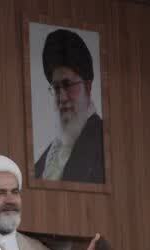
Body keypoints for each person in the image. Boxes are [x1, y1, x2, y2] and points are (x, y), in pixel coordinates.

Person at [34, 28, 105, 184]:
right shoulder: (43, 162)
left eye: (68, 85)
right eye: (56, 88)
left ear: (88, 87)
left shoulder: (103, 142)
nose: (62, 98)